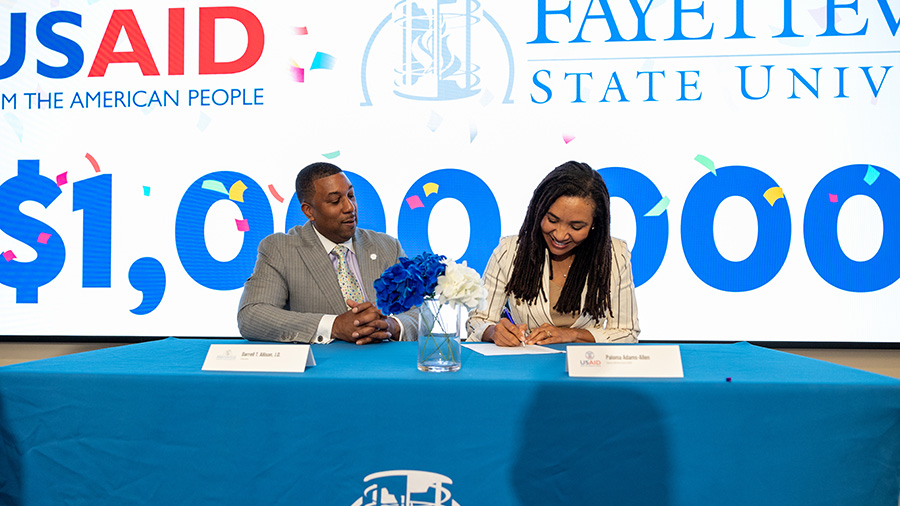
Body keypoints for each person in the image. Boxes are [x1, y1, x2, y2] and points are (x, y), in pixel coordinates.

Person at [238, 162, 418, 345]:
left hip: (383, 367)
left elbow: (422, 310)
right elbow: (252, 316)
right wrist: (334, 325)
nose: (349, 207)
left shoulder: (387, 246)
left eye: (351, 196)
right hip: (324, 368)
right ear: (309, 211)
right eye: (335, 201)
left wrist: (392, 325)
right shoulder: (281, 249)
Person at [466, 161, 639, 346]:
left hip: (588, 369)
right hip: (525, 369)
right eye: (552, 219)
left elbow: (626, 333)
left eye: (576, 226)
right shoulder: (509, 252)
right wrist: (494, 331)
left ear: (594, 225)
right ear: (538, 211)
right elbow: (477, 321)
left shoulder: (615, 255)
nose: (560, 235)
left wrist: (571, 335)